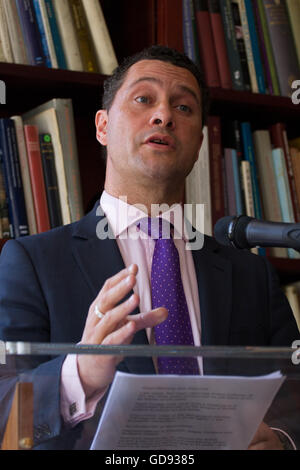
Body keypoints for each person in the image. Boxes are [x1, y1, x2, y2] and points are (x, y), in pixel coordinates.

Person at [0, 45, 298, 450]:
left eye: (184, 108)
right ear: (102, 126)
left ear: (199, 143)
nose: (164, 116)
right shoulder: (32, 262)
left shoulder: (250, 274)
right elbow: (5, 413)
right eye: (144, 99)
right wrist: (81, 373)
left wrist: (281, 440)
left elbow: (293, 398)